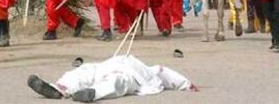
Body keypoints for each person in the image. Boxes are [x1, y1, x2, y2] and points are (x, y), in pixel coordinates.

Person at [27, 55, 197, 102]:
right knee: (83, 71)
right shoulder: (123, 58)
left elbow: (167, 73)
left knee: (116, 82)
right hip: (106, 65)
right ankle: (58, 88)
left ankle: (93, 93)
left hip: (131, 77)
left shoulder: (153, 72)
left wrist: (186, 84)